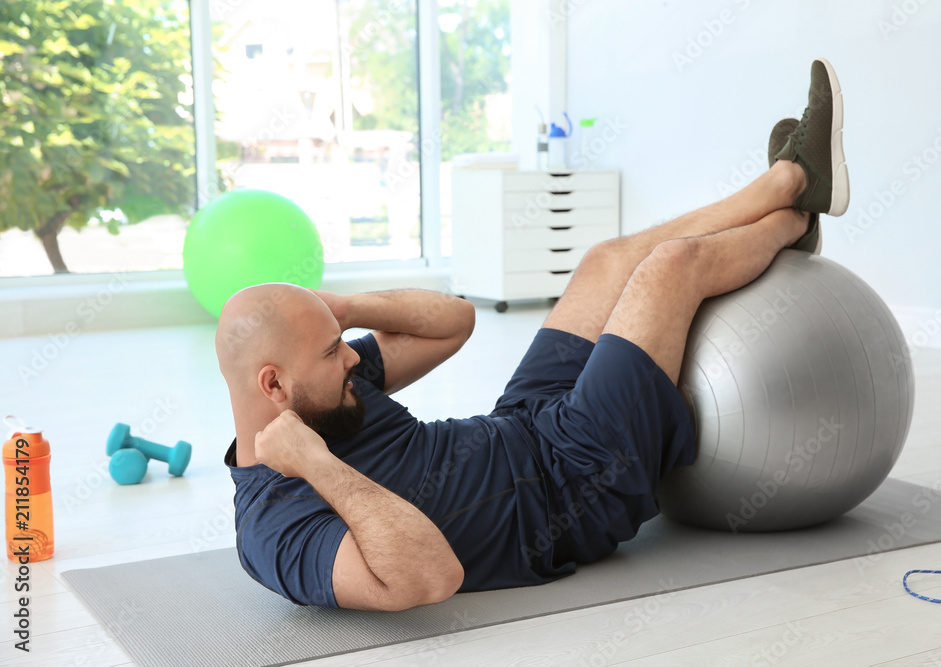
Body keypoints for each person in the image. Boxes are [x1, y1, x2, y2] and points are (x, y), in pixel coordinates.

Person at [217, 59, 850, 612]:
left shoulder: (332, 393)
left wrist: (340, 307)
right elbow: (430, 577)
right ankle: (793, 207)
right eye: (332, 350)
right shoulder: (275, 528)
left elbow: (454, 321)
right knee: (668, 271)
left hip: (523, 425)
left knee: (604, 259)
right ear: (273, 384)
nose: (351, 355)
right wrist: (316, 465)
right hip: (571, 487)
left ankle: (783, 187)